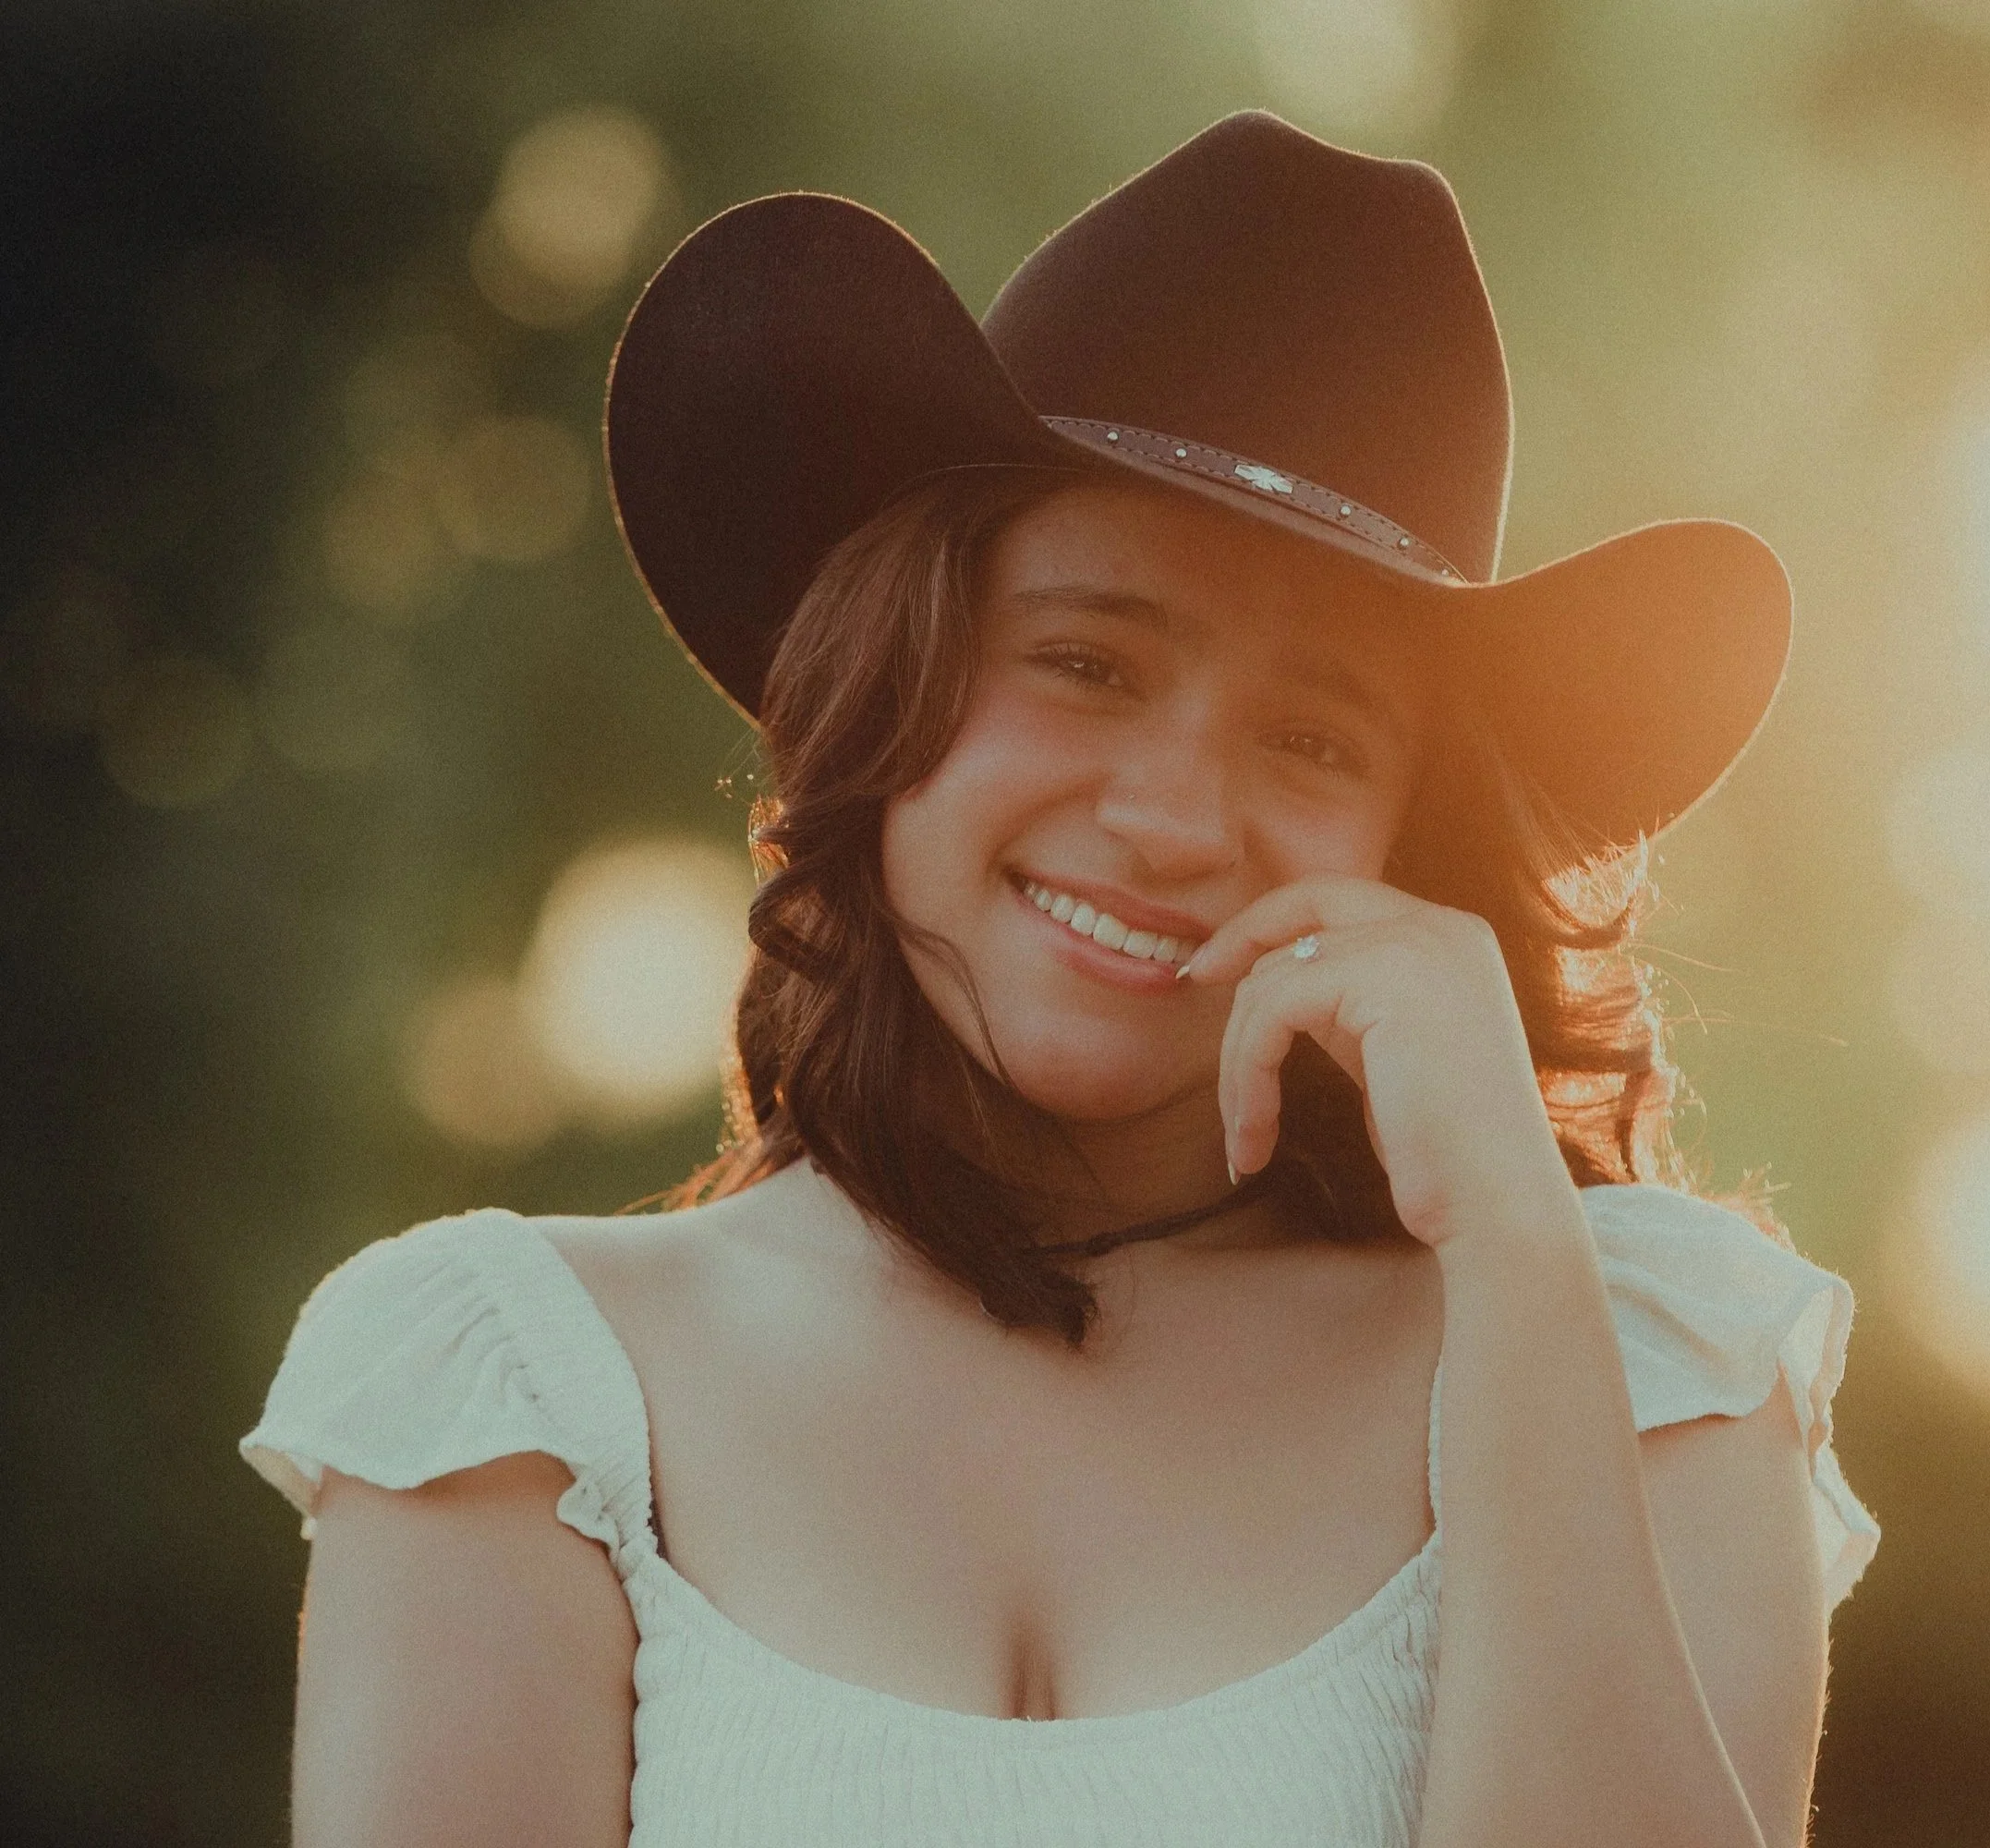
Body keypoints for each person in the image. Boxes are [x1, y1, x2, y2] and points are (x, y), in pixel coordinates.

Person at [241, 111, 1876, 1847]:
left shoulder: (1656, 1362)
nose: (1176, 819)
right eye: (1088, 662)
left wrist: (1519, 1259)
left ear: (1411, 844)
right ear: (896, 676)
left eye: (1313, 738)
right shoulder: (516, 1387)